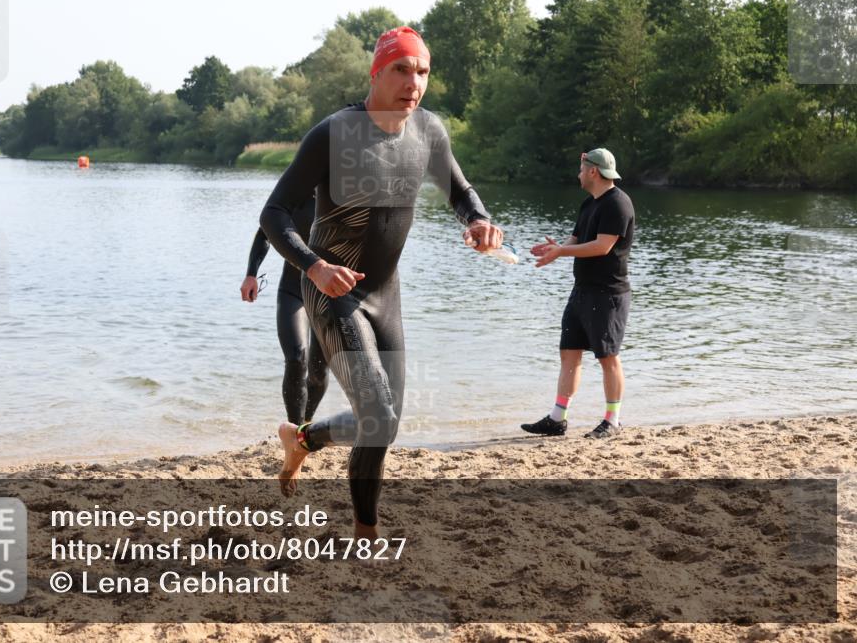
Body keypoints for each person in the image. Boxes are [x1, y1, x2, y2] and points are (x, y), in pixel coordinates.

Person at [259, 27, 503, 539]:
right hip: (331, 290)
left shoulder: (429, 131)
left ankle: (302, 439)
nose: (413, 81)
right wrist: (314, 267)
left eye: (423, 71)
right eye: (401, 69)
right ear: (376, 73)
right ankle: (365, 532)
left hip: (385, 294)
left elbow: (461, 191)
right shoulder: (335, 133)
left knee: (383, 425)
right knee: (375, 412)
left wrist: (478, 221)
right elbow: (274, 213)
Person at [521, 148, 635, 439]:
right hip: (582, 291)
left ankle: (612, 421)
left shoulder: (618, 204)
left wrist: (563, 251)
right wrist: (556, 248)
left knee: (607, 357)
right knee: (569, 353)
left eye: (582, 169)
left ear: (594, 171)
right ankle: (558, 419)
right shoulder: (590, 203)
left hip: (608, 294)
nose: (579, 174)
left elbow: (602, 246)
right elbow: (577, 239)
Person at [240, 194, 328, 427]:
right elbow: (265, 231)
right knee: (297, 357)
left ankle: (307, 423)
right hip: (293, 290)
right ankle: (295, 433)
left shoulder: (344, 196)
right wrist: (251, 274)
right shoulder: (297, 190)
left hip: (330, 296)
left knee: (318, 372)